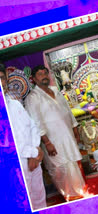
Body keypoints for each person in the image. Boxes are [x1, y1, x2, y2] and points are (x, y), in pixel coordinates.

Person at [24, 65, 86, 201]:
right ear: (33, 79)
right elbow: (36, 122)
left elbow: (68, 112)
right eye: (39, 74)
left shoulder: (55, 90)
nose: (44, 76)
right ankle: (70, 197)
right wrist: (47, 142)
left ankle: (80, 194)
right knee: (60, 169)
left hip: (68, 137)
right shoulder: (33, 98)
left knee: (73, 164)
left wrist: (75, 130)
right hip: (52, 141)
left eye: (45, 73)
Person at [1, 65, 46, 210]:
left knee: (39, 200)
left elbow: (32, 126)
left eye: (1, 78)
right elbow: (8, 144)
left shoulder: (14, 104)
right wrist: (33, 153)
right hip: (13, 166)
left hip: (33, 161)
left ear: (6, 79)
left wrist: (36, 150)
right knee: (22, 204)